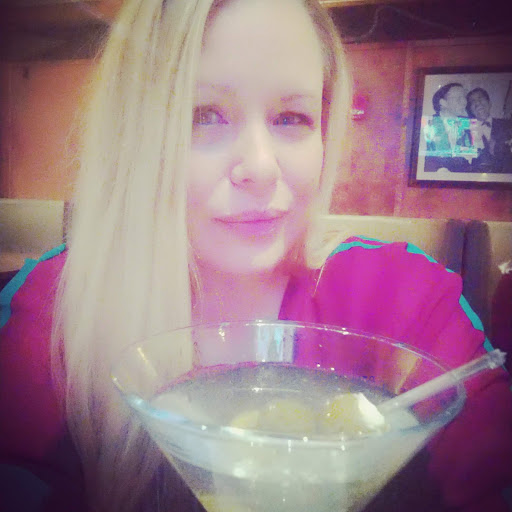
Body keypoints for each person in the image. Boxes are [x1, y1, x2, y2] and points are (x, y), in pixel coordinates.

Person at [0, 1, 511, 511]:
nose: (262, 168)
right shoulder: (53, 305)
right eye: (204, 115)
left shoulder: (405, 296)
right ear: (136, 138)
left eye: (292, 117)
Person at [423, 82, 475, 173]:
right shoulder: (428, 123)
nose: (464, 102)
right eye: (458, 98)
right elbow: (421, 162)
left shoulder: (469, 125)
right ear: (443, 103)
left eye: (464, 97)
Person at [467, 87, 512, 173]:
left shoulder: (508, 125)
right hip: (478, 178)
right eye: (472, 101)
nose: (477, 103)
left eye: (480, 98)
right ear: (471, 110)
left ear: (489, 103)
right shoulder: (466, 130)